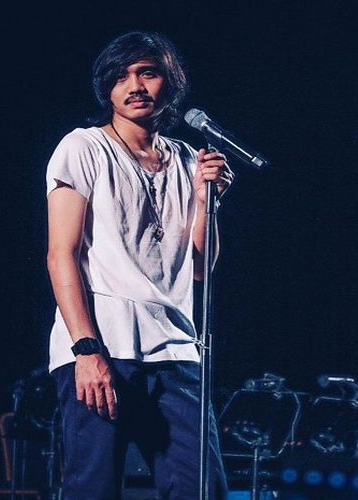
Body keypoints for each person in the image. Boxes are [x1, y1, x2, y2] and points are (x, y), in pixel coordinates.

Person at [45, 31, 232, 499]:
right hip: (103, 346)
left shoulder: (188, 159)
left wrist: (207, 201)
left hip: (176, 349)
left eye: (147, 73)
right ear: (106, 88)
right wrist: (86, 350)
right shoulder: (84, 147)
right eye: (121, 76)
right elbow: (61, 253)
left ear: (171, 82)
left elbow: (200, 268)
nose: (135, 86)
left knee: (202, 487)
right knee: (95, 487)